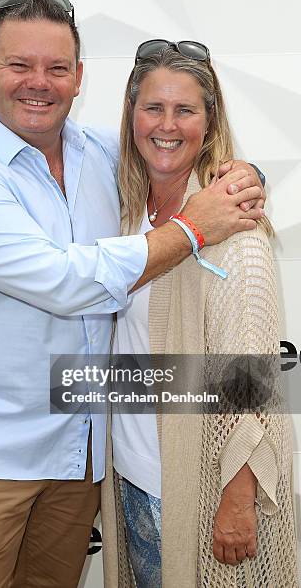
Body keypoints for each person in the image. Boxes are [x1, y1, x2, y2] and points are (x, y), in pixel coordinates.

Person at [0, 0, 265, 588]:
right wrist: (193, 228)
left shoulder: (98, 152)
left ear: (79, 78)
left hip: (80, 459)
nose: (39, 83)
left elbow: (172, 146)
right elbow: (65, 282)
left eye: (56, 68)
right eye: (19, 65)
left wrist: (244, 175)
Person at [101, 40, 297, 587]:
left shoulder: (234, 234)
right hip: (131, 477)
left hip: (195, 488)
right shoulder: (127, 211)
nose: (167, 125)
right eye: (153, 108)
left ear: (209, 124)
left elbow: (250, 384)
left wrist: (237, 500)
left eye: (185, 110)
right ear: (131, 116)